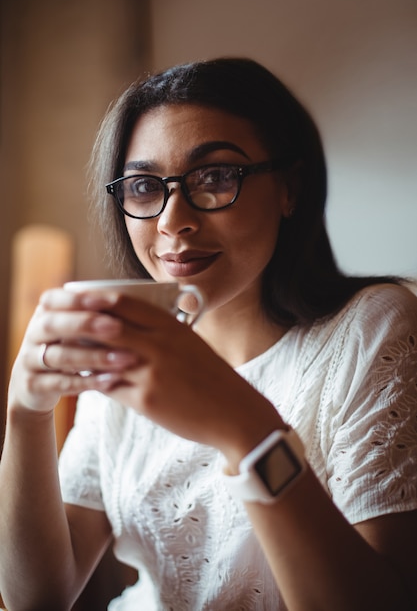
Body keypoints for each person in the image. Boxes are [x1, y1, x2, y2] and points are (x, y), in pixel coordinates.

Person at [0, 57, 416, 611]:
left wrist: (247, 432)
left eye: (216, 176)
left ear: (290, 188)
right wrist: (24, 415)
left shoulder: (371, 330)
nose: (173, 220)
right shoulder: (127, 342)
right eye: (146, 186)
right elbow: (39, 598)